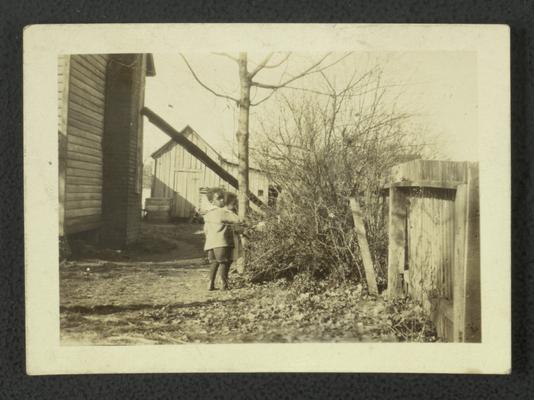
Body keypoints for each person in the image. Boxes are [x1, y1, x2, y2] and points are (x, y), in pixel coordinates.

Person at [203, 188, 240, 291]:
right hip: (222, 242)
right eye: (219, 199)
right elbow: (237, 220)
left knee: (214, 262)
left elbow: (205, 230)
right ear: (212, 201)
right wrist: (232, 212)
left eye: (222, 198)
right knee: (225, 262)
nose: (222, 201)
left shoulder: (207, 214)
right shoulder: (222, 212)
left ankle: (210, 283)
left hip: (210, 243)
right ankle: (224, 284)